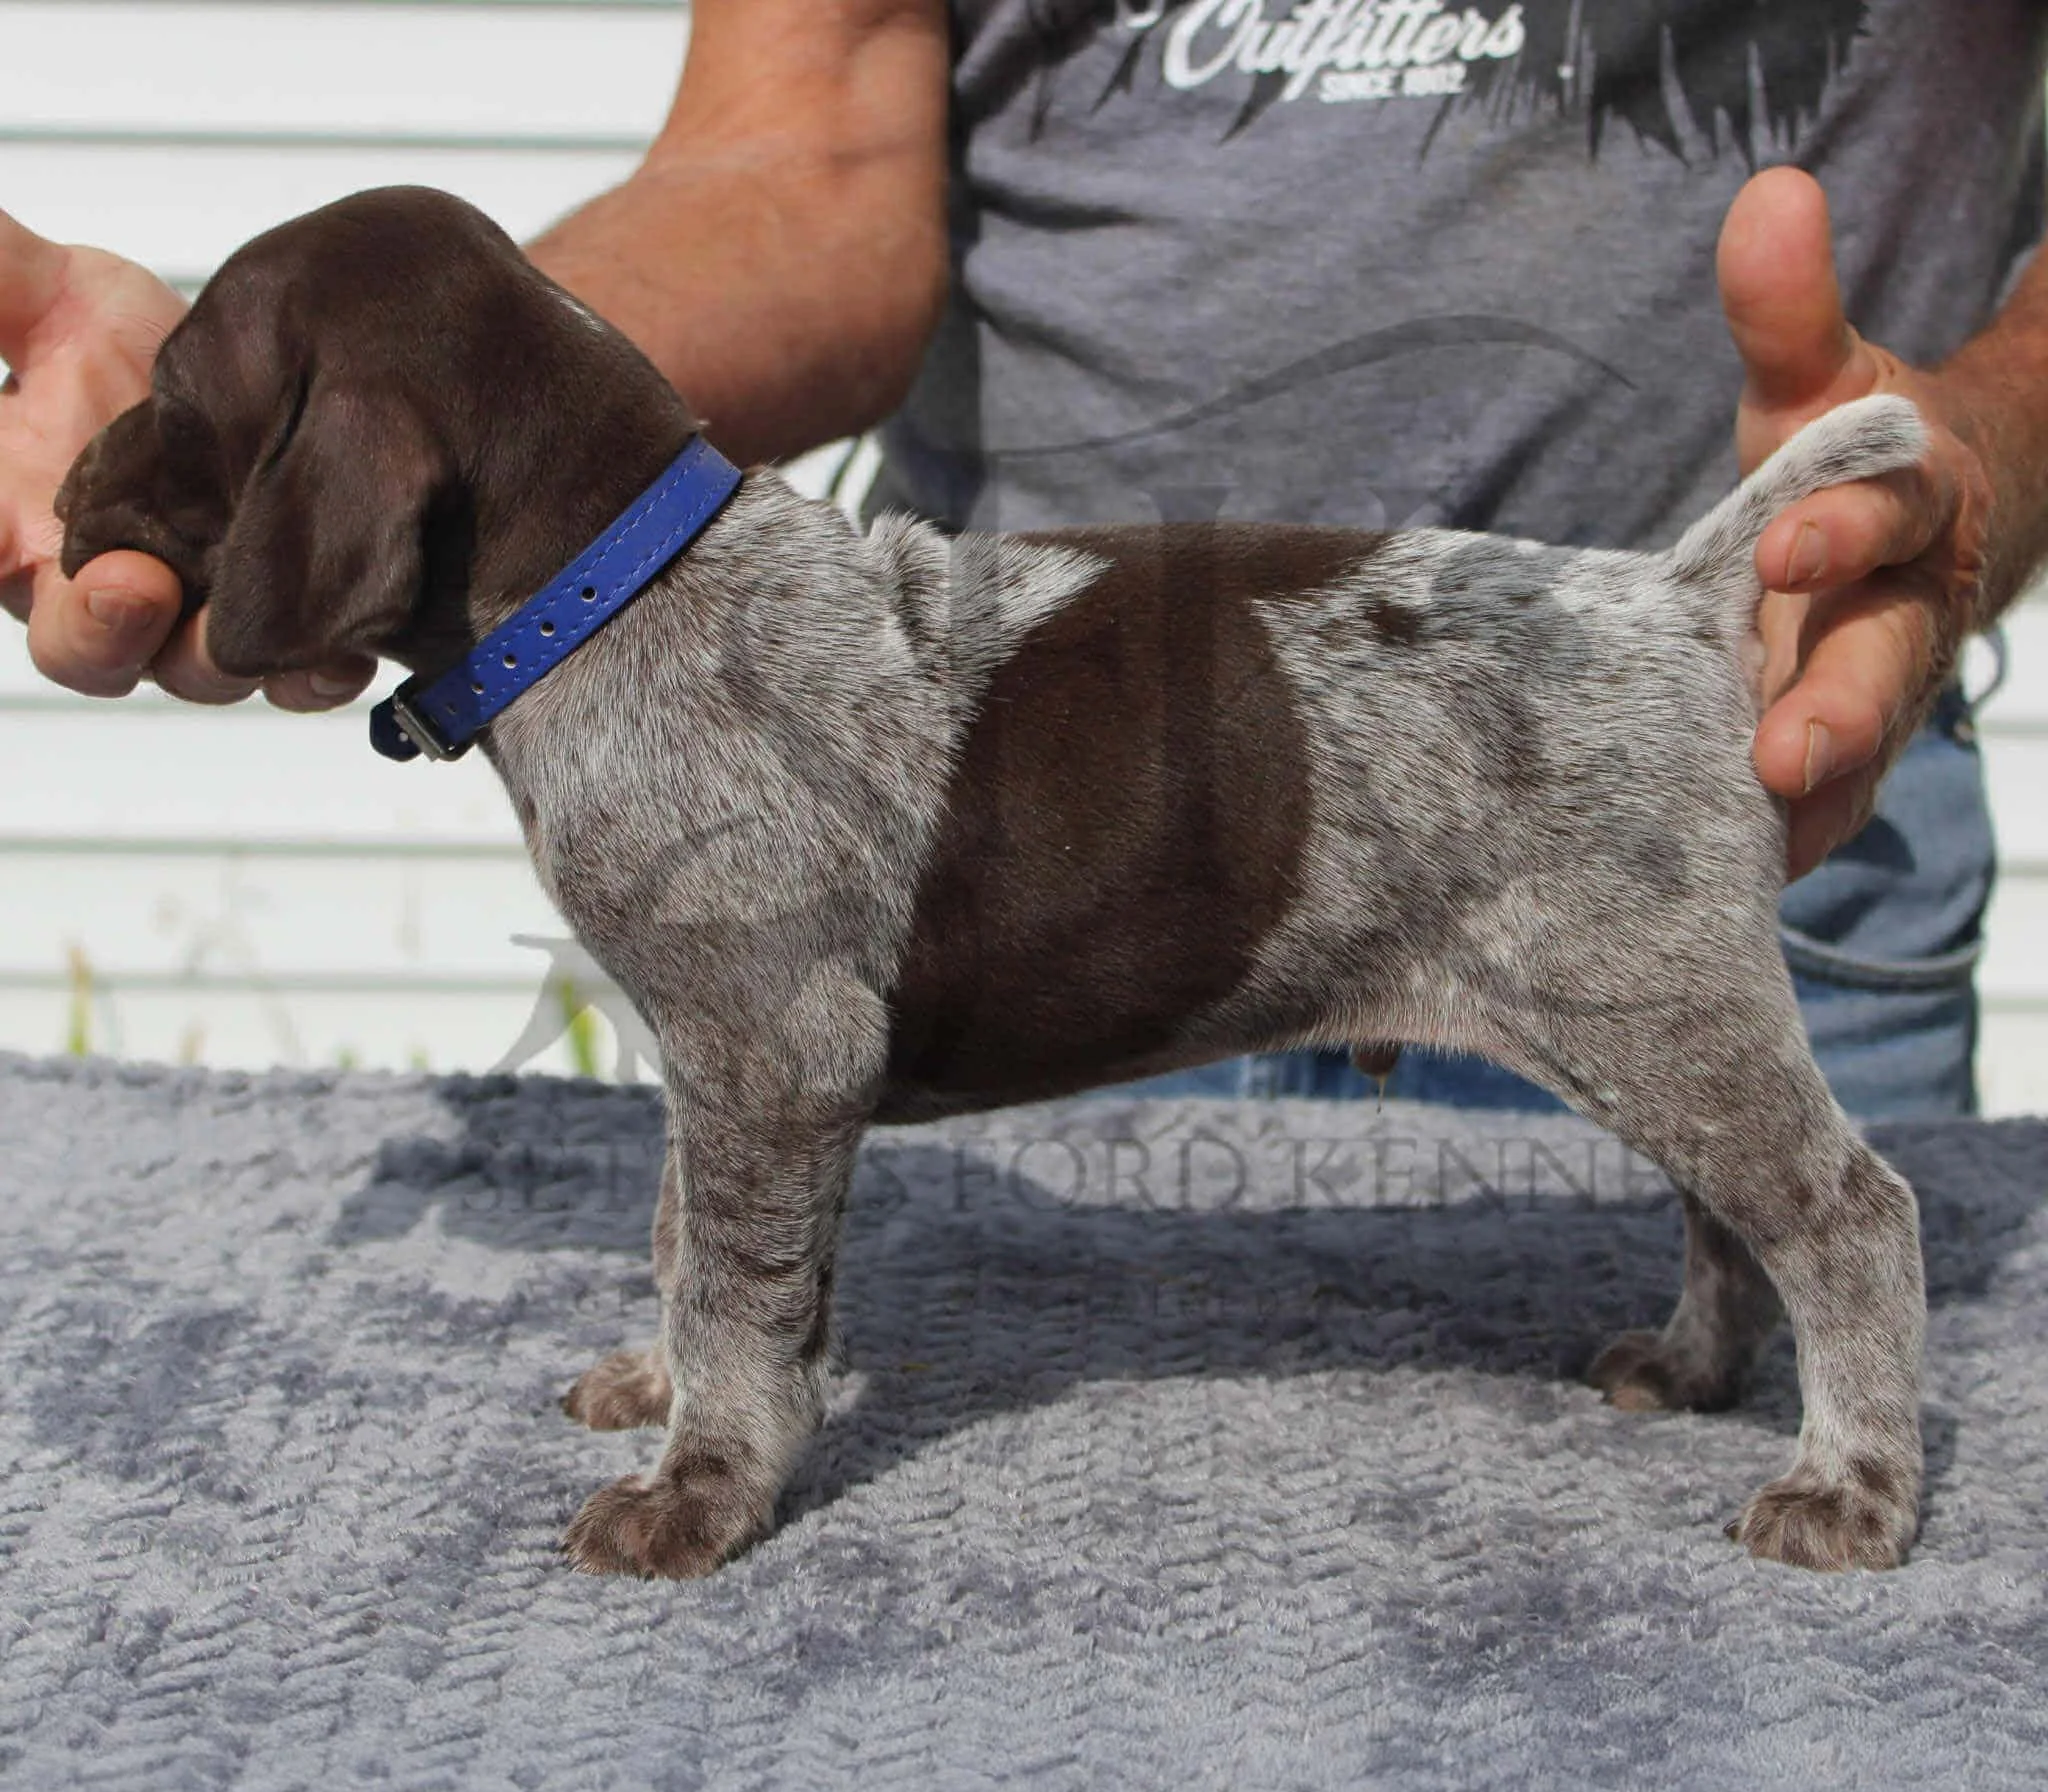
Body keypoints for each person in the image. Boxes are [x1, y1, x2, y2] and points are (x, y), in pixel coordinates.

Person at [3, 0, 2044, 1114]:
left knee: (1804, 1295)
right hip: (1024, 818)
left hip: (1709, 750)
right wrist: (363, 400)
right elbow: (803, 155)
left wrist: (1979, 451)